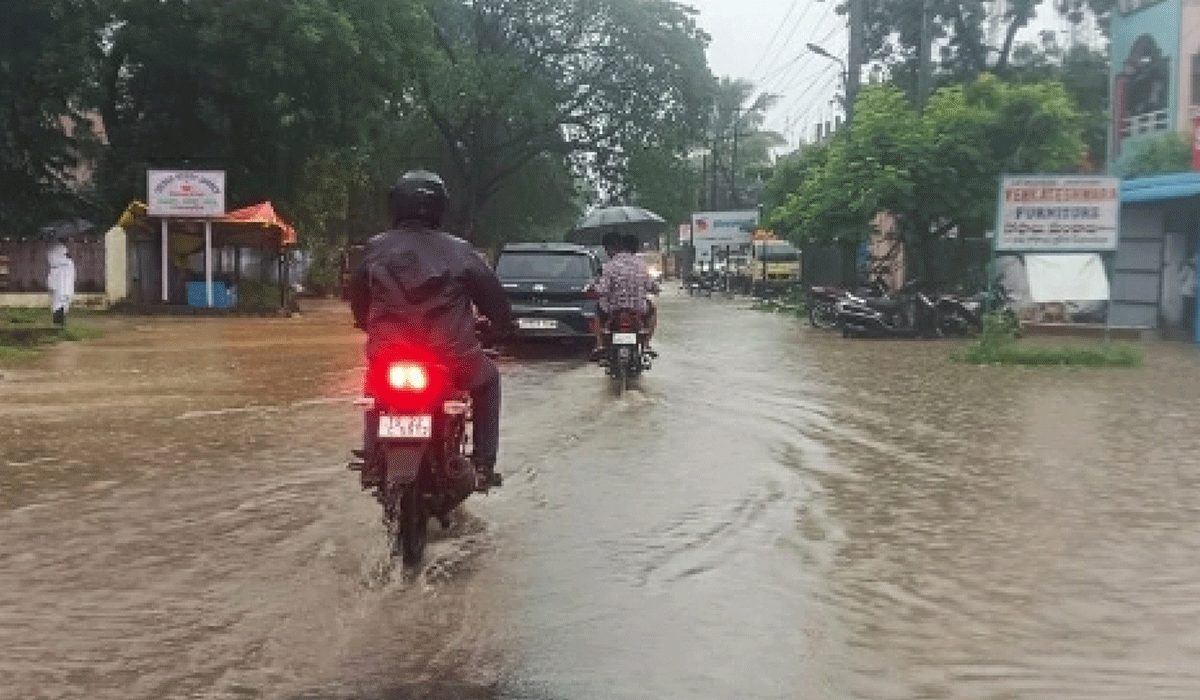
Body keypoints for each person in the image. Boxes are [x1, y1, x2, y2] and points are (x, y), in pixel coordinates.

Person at [348, 170, 512, 491]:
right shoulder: (461, 250)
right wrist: (500, 329)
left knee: (375, 389)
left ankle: (371, 460)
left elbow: (358, 302)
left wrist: (368, 325)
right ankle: (482, 465)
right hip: (451, 357)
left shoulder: (375, 248)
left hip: (389, 355)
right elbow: (496, 302)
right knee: (489, 380)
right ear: (440, 207)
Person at [590, 231, 659, 361]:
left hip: (612, 309)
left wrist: (594, 289)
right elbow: (652, 286)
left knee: (597, 310)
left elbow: (602, 289)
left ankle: (600, 345)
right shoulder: (641, 265)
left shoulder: (610, 266)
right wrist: (655, 289)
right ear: (636, 248)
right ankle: (646, 344)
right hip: (638, 308)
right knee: (653, 309)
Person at [46, 241, 75, 326]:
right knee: (59, 304)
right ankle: (58, 322)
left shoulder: (65, 264)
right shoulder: (65, 264)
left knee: (59, 304)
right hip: (62, 289)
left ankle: (59, 322)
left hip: (61, 289)